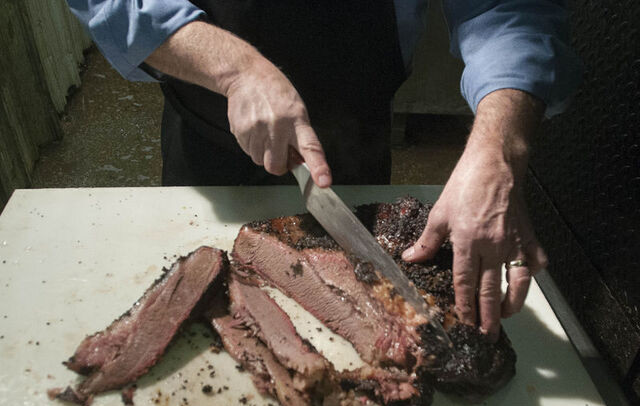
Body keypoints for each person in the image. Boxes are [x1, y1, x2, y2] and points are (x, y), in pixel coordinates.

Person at [66, 1, 581, 337]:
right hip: (205, 130)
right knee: (202, 304)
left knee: (376, 279)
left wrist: (497, 146)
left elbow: (506, 9)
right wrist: (235, 69)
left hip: (357, 135)